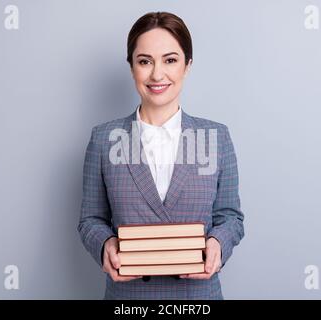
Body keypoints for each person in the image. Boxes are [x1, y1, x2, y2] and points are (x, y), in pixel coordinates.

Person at [78, 11, 245, 300]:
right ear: (132, 68)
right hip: (129, 300)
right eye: (145, 61)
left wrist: (219, 242)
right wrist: (105, 244)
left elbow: (230, 216)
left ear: (187, 65)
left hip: (198, 298)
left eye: (170, 60)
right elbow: (91, 219)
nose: (157, 74)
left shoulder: (217, 138)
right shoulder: (103, 139)